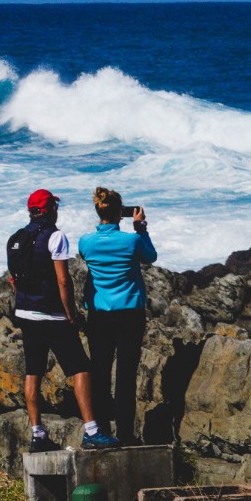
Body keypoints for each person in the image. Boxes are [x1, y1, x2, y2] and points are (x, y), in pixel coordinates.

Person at [5, 189, 115, 452]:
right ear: (50, 209)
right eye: (54, 206)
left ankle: (37, 434)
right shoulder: (56, 236)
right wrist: (71, 315)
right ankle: (91, 431)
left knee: (33, 372)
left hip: (25, 314)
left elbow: (14, 280)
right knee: (81, 368)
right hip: (52, 315)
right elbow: (63, 281)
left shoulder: (15, 238)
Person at [76, 188, 156, 445]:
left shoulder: (85, 242)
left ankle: (102, 431)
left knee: (99, 373)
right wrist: (140, 227)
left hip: (99, 314)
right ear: (120, 213)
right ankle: (125, 433)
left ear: (98, 211)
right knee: (125, 375)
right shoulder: (131, 241)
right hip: (130, 314)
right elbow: (150, 257)